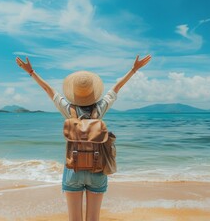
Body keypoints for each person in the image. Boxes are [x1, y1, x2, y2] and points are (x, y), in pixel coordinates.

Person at [15, 54, 151, 221]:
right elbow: (116, 88)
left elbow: (48, 90)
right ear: (93, 92)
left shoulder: (68, 110)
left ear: (74, 92)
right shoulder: (99, 110)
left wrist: (31, 71)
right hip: (98, 168)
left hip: (73, 170)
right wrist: (134, 69)